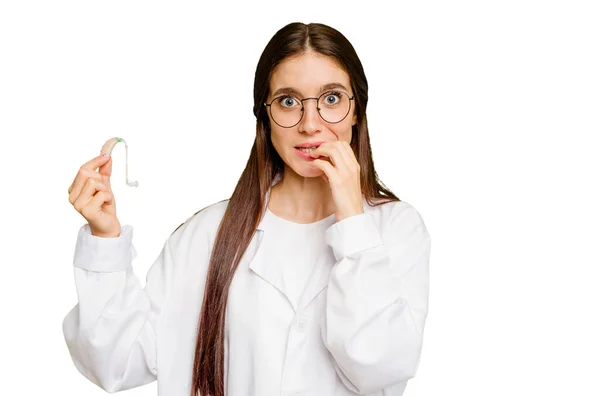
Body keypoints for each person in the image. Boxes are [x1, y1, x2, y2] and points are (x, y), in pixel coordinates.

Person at [63, 22, 432, 396]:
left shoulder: (395, 229)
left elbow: (381, 366)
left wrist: (353, 220)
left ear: (357, 111)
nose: (310, 124)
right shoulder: (206, 235)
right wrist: (104, 239)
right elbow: (117, 362)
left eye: (332, 99)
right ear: (265, 116)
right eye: (288, 101)